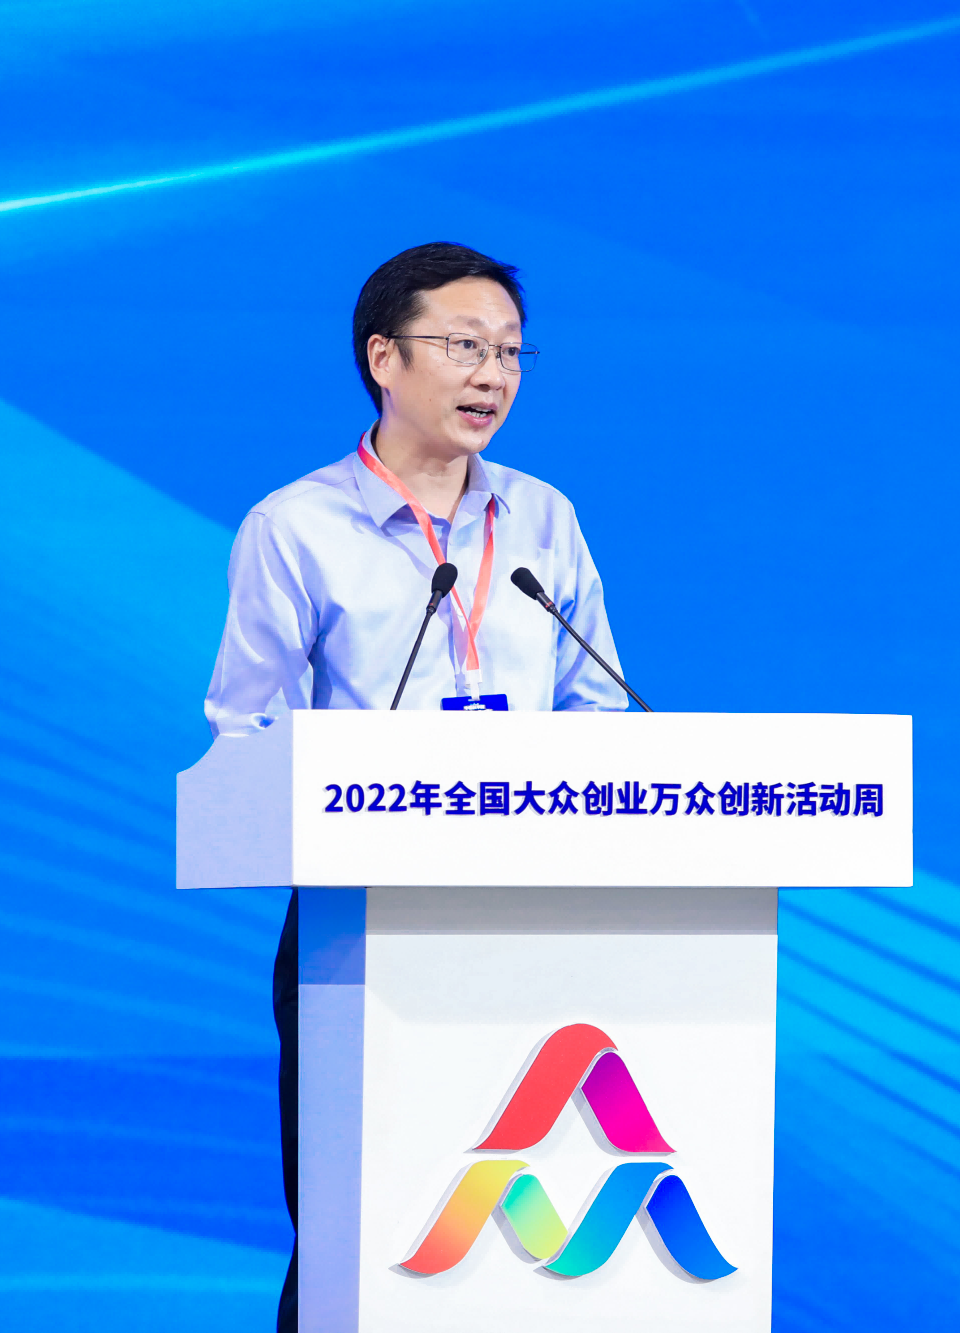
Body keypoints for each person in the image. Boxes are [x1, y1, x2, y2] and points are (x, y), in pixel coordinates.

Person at [200, 241, 631, 1331]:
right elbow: (243, 735)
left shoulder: (544, 519)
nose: (493, 375)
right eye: (464, 346)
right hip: (360, 929)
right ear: (382, 358)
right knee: (365, 1233)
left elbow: (600, 709)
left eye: (511, 353)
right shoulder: (295, 527)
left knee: (520, 1230)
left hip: (532, 917)